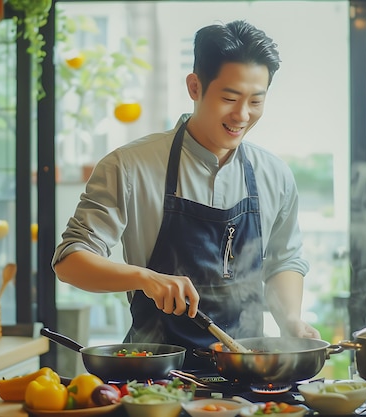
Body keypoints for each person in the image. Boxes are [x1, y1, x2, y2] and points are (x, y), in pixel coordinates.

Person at [52, 19, 320, 370]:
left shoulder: (275, 175)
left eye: (256, 101)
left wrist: (290, 321)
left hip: (249, 377)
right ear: (195, 86)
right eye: (229, 98)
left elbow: (283, 261)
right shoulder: (130, 166)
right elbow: (70, 261)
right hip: (155, 378)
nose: (242, 115)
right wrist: (144, 278)